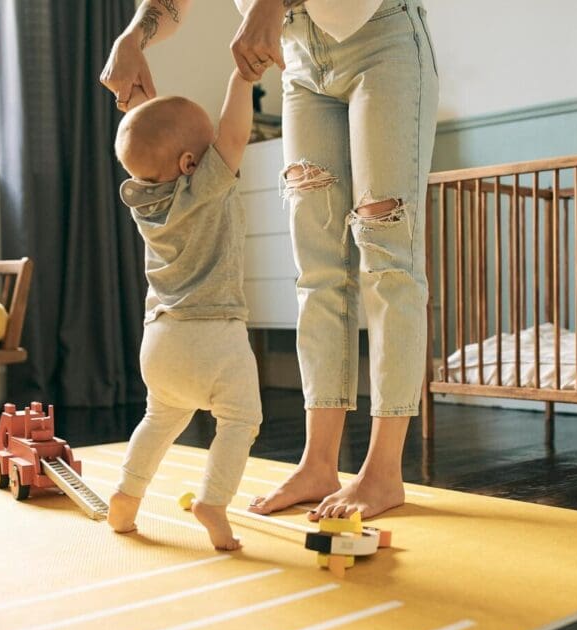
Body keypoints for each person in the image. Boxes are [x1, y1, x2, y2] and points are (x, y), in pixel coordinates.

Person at [101, 0, 438, 521]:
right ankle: (318, 463)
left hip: (381, 36)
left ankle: (383, 471)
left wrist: (266, 4)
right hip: (299, 61)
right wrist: (133, 37)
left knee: (387, 258)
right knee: (318, 270)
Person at [106, 72, 262, 550]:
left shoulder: (143, 199)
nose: (222, 151)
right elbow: (236, 134)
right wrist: (240, 76)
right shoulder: (206, 185)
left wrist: (138, 103)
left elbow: (152, 133)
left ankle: (128, 493)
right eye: (210, 149)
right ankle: (213, 500)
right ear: (193, 162)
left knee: (159, 419)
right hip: (214, 335)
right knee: (239, 421)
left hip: (160, 340)